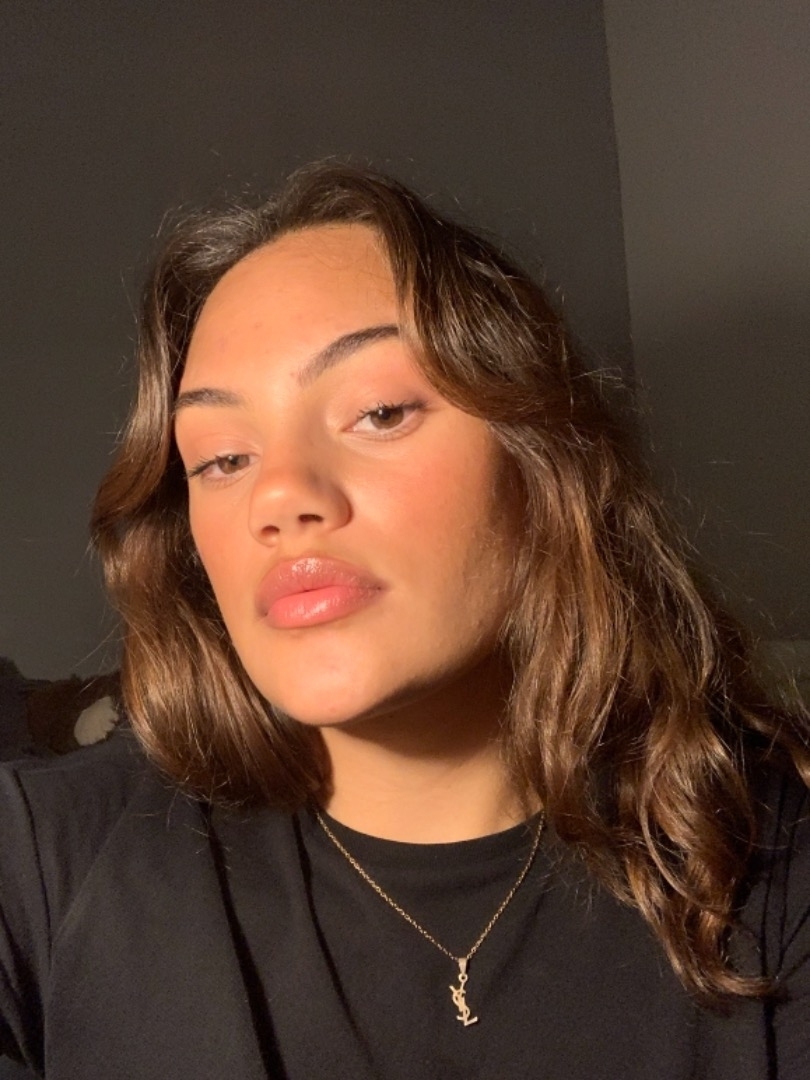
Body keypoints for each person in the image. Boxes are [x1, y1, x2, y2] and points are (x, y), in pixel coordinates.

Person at [0, 162, 808, 1080]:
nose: (279, 496)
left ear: (541, 463)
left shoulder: (771, 861)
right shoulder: (39, 862)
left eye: (379, 412)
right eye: (222, 458)